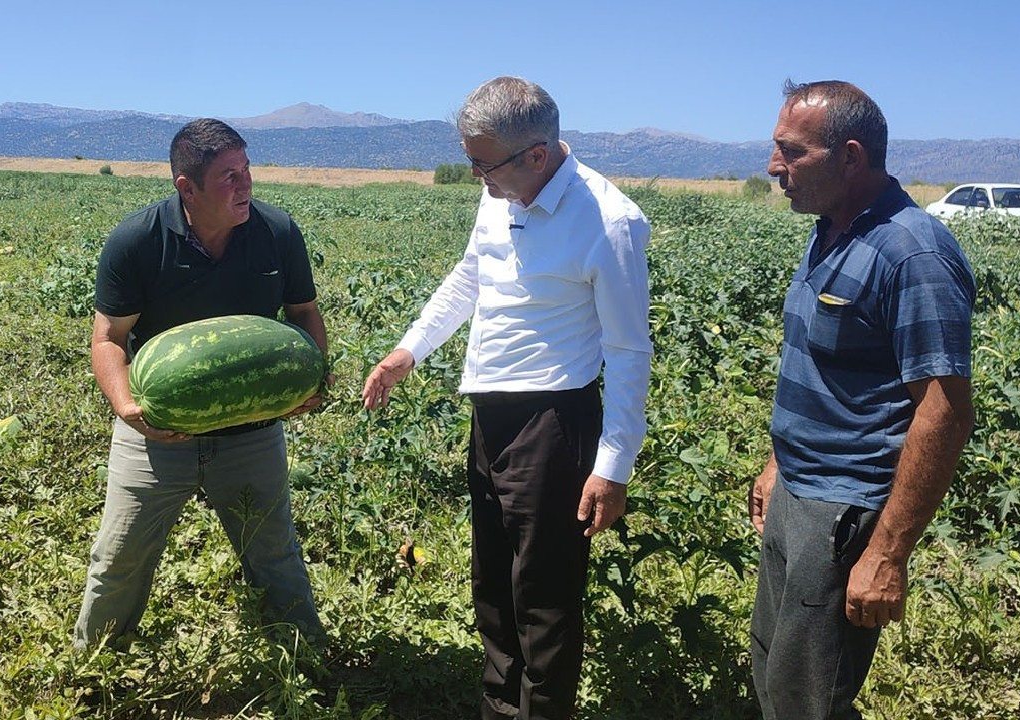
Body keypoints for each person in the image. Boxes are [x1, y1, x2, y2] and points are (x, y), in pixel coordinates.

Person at [361, 76, 652, 720]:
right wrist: (410, 348)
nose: (474, 176)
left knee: (543, 597)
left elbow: (630, 352)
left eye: (482, 163)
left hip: (553, 423)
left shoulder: (610, 222)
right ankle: (499, 710)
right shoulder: (504, 192)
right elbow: (471, 274)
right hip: (490, 418)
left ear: (538, 156)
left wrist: (613, 467)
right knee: (493, 586)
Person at [748, 80, 976, 718]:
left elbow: (945, 411)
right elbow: (819, 366)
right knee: (776, 675)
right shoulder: (831, 229)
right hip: (798, 491)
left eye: (791, 152)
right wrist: (777, 465)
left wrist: (886, 553)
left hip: (844, 513)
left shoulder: (912, 254)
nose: (773, 168)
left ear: (850, 157)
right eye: (776, 148)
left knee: (810, 696)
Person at [74, 118, 329, 650]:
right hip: (154, 431)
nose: (246, 185)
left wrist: (312, 378)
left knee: (273, 552)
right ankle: (94, 661)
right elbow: (108, 338)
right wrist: (126, 406)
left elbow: (304, 312)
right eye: (228, 176)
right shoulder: (137, 240)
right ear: (185, 187)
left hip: (252, 430)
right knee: (119, 555)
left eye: (247, 169)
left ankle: (305, 656)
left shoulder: (276, 232)